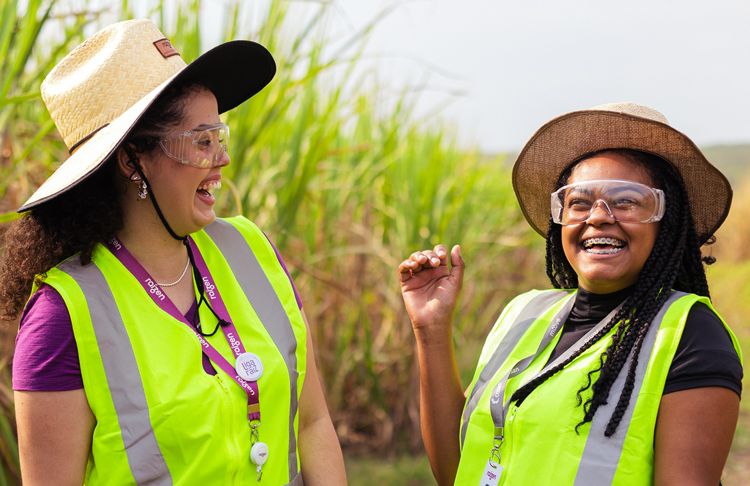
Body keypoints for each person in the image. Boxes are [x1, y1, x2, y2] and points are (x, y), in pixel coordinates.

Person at [1, 19, 346, 485]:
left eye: (219, 138)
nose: (221, 159)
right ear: (133, 161)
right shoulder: (63, 318)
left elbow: (313, 422)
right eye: (201, 142)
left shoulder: (251, 251)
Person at [399, 102, 743, 485]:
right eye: (578, 202)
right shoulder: (523, 313)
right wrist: (430, 330)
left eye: (626, 200)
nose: (597, 216)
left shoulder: (688, 333)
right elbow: (458, 472)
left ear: (666, 220)